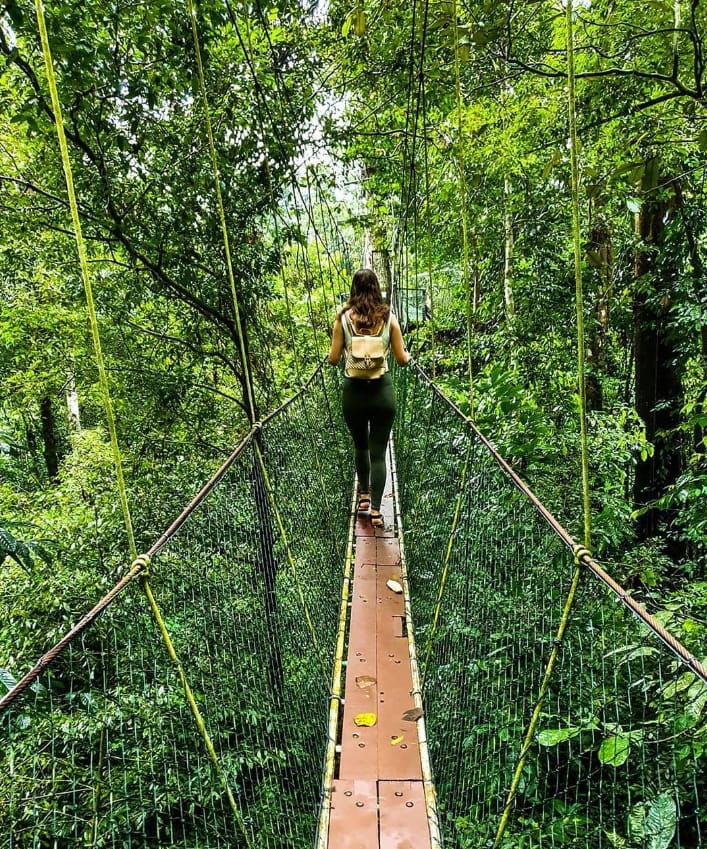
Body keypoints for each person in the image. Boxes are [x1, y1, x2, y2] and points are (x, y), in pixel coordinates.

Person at [328, 268, 411, 528]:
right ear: (377, 289)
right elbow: (401, 359)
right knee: (378, 453)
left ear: (353, 289)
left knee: (360, 446)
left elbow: (332, 359)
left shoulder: (342, 318)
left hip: (354, 393)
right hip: (381, 394)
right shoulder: (389, 318)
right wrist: (409, 356)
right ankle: (376, 511)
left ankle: (363, 496)